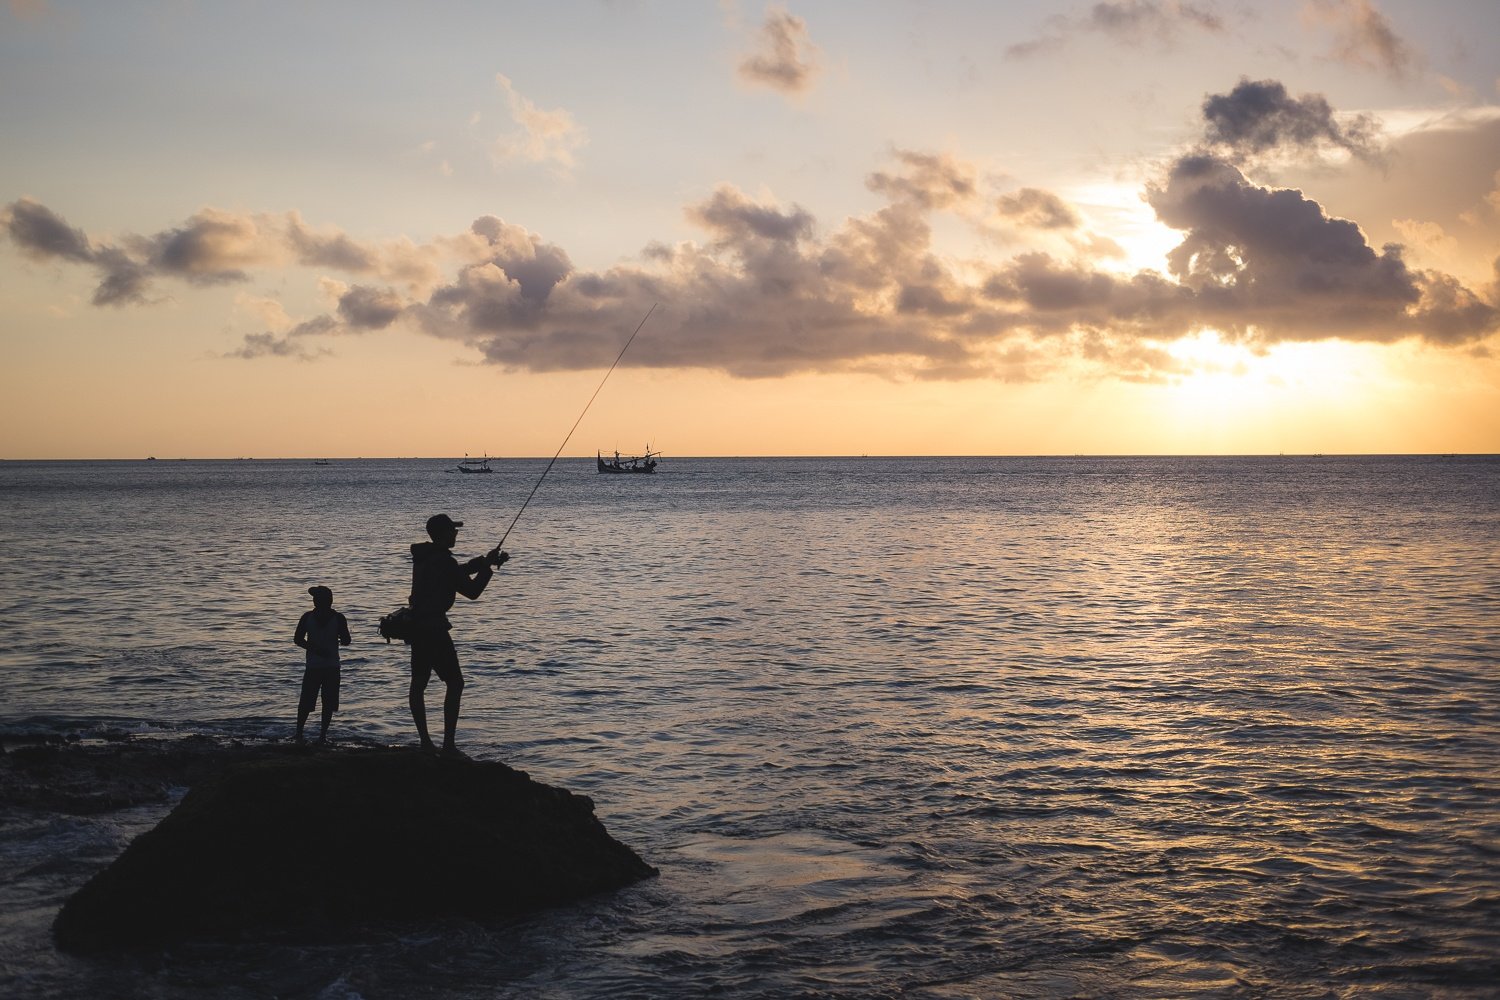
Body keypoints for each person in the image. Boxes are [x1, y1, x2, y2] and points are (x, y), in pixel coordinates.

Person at [408, 513, 508, 756]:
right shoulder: (443, 561)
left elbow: (451, 575)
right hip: (435, 630)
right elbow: (471, 591)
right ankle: (449, 746)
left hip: (417, 627)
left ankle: (425, 743)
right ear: (442, 534)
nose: (456, 534)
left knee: (419, 683)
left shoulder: (425, 556)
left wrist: (480, 563)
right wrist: (487, 570)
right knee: (455, 683)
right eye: (452, 530)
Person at [293, 585, 351, 744]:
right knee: (328, 703)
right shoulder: (339, 618)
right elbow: (347, 640)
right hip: (332, 666)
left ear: (318, 601)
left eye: (315, 597)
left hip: (313, 667)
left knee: (305, 702)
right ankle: (322, 736)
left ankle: (299, 734)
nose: (313, 600)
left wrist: (315, 649)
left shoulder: (307, 617)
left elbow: (297, 639)